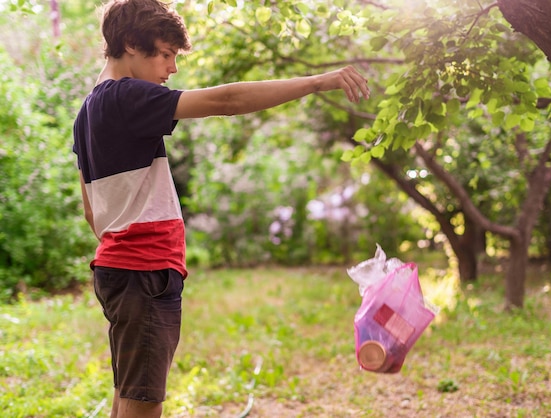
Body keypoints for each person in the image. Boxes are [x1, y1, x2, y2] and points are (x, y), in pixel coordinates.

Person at [72, 1, 370, 417]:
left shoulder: (87, 111)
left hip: (118, 271)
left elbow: (91, 210)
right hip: (144, 272)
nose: (172, 68)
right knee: (143, 404)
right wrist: (320, 81)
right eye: (165, 54)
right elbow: (227, 100)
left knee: (128, 395)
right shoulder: (126, 97)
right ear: (129, 45)